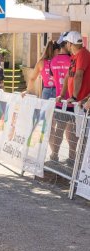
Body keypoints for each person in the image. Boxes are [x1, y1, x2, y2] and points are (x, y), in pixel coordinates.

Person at [57, 31, 90, 166]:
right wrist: (62, 94)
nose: (66, 46)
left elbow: (79, 75)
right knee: (80, 134)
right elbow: (68, 77)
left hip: (83, 102)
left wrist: (74, 96)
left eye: (67, 44)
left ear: (71, 43)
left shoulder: (83, 54)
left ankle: (83, 165)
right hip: (78, 102)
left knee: (84, 135)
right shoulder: (75, 56)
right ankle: (81, 164)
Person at [48, 33, 73, 162]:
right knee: (72, 132)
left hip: (60, 100)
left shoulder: (53, 61)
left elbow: (52, 77)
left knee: (59, 130)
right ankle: (72, 157)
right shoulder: (72, 60)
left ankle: (54, 155)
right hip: (72, 100)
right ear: (66, 44)